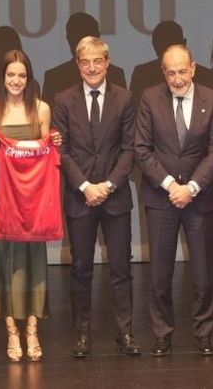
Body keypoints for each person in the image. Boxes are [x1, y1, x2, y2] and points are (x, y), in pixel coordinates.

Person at [52, 36, 140, 358]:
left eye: (97, 61)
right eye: (85, 62)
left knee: (121, 268)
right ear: (78, 64)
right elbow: (61, 151)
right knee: (81, 269)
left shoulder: (124, 98)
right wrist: (85, 187)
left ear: (107, 63)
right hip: (80, 198)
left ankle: (125, 332)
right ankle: (82, 334)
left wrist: (108, 185)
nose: (92, 68)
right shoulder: (63, 100)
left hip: (115, 198)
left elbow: (129, 149)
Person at [135, 44, 213, 356]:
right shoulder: (149, 98)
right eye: (171, 73)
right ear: (163, 72)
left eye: (182, 71)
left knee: (203, 274)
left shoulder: (211, 99)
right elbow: (142, 149)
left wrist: (193, 187)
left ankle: (203, 332)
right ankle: (162, 333)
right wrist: (171, 185)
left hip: (200, 199)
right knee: (160, 274)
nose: (177, 79)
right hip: (162, 198)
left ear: (193, 68)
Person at [0, 50, 55, 361]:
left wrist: (55, 143)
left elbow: (47, 153)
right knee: (4, 260)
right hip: (0, 195)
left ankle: (32, 328)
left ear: (29, 78)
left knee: (35, 258)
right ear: (2, 77)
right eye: (10, 75)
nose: (16, 80)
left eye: (21, 75)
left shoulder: (41, 108)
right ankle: (12, 329)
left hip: (32, 197)